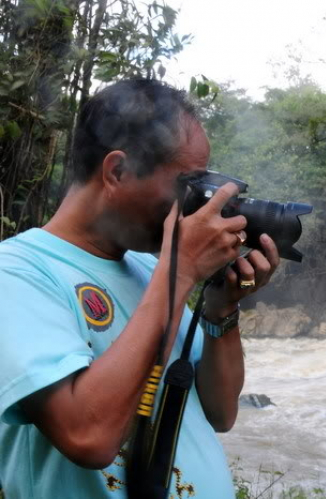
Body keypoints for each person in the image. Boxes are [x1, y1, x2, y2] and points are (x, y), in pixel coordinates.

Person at [0, 78, 279, 498]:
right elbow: (88, 436)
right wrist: (180, 272)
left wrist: (221, 310)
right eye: (188, 185)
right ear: (117, 170)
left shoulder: (150, 269)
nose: (196, 206)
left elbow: (220, 413)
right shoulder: (18, 272)